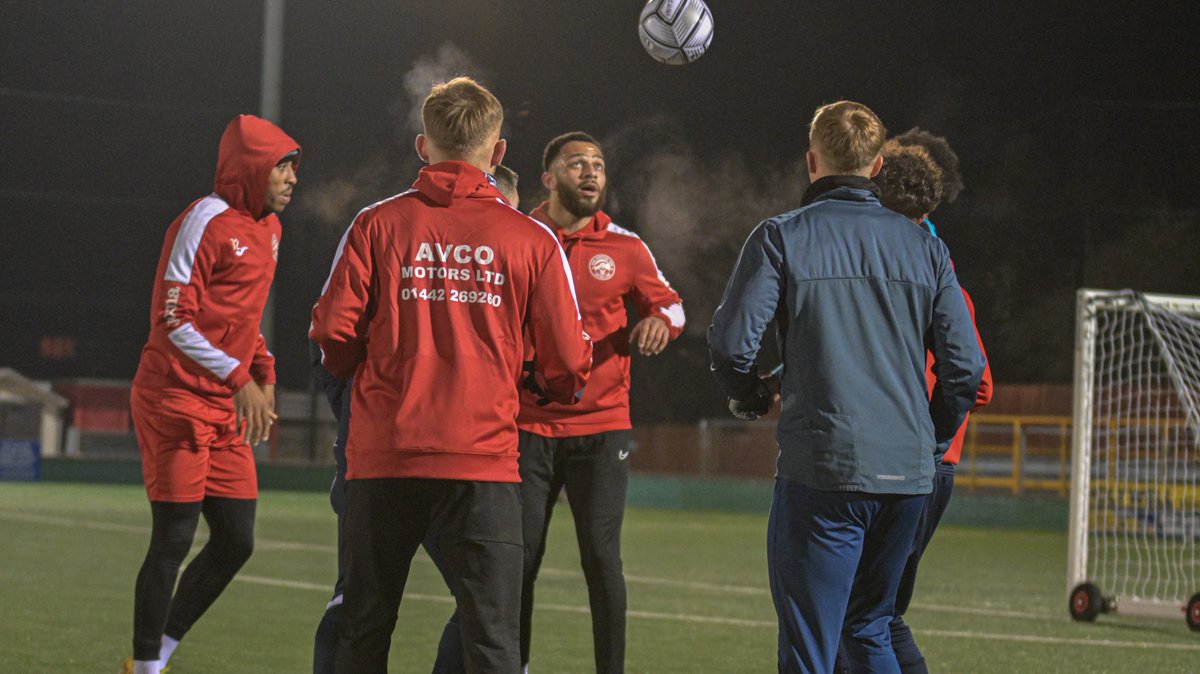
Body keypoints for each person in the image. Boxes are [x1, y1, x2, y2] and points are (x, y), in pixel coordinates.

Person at [309, 77, 592, 673]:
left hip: (383, 457)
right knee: (491, 639)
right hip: (481, 463)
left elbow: (332, 333)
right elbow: (568, 361)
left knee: (363, 631)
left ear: (423, 146)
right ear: (498, 153)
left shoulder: (375, 225)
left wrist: (366, 384)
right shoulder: (532, 239)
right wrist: (546, 386)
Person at [707, 101, 985, 674]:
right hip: (909, 478)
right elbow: (966, 369)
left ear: (812, 161)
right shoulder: (928, 248)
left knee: (812, 643)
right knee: (870, 629)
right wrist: (927, 441)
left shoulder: (783, 236)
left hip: (824, 470)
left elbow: (732, 345)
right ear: (879, 165)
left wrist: (751, 393)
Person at [312, 161, 521, 674]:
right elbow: (333, 342)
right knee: (481, 615)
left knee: (366, 614)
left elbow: (331, 338)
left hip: (399, 456)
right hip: (458, 458)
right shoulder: (388, 226)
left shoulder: (380, 224)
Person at [122, 114, 300, 674]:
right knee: (173, 538)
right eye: (282, 167)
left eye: (295, 167)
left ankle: (164, 650)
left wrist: (263, 369)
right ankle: (146, 667)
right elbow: (173, 321)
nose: (293, 178)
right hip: (172, 399)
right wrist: (238, 376)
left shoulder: (270, 230)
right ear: (251, 168)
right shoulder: (204, 219)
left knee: (236, 540)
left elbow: (240, 321)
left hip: (222, 403)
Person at [515, 131, 685, 673]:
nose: (590, 173)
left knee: (601, 559)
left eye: (598, 165)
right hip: (526, 426)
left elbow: (675, 306)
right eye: (576, 164)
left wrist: (659, 320)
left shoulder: (627, 247)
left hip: (602, 427)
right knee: (518, 562)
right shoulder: (519, 236)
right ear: (548, 178)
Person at [868, 137, 994, 674]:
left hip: (895, 459)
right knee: (875, 614)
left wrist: (929, 433)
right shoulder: (940, 272)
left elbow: (976, 381)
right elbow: (975, 383)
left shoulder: (903, 273)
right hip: (931, 464)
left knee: (869, 616)